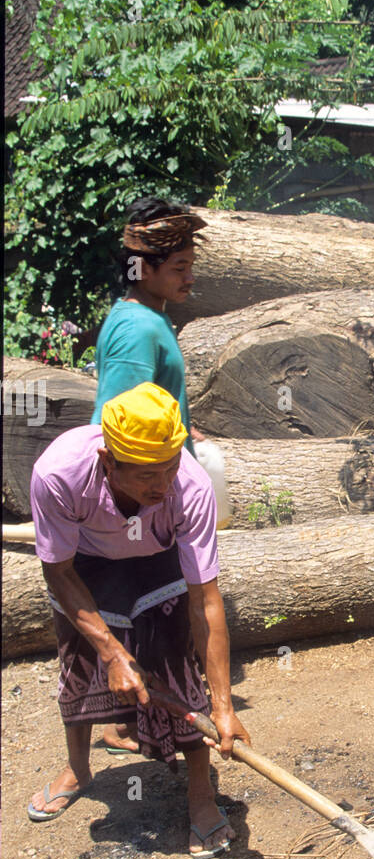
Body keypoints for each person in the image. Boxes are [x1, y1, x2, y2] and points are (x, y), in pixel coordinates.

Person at [28, 382, 251, 859]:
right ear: (109, 462)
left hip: (158, 555)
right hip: (83, 561)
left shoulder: (188, 487)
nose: (163, 484)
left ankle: (201, 795)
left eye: (170, 467)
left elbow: (205, 603)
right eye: (149, 475)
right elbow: (58, 571)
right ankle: (79, 769)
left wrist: (224, 706)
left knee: (174, 663)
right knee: (80, 659)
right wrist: (111, 651)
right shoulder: (59, 474)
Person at [91, 197, 206, 751]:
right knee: (150, 596)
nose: (190, 277)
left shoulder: (147, 316)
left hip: (150, 477)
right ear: (146, 268)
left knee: (138, 597)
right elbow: (123, 415)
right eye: (179, 268)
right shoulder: (138, 330)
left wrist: (187, 427)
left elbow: (154, 403)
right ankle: (131, 719)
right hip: (139, 487)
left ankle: (122, 717)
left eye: (190, 265)